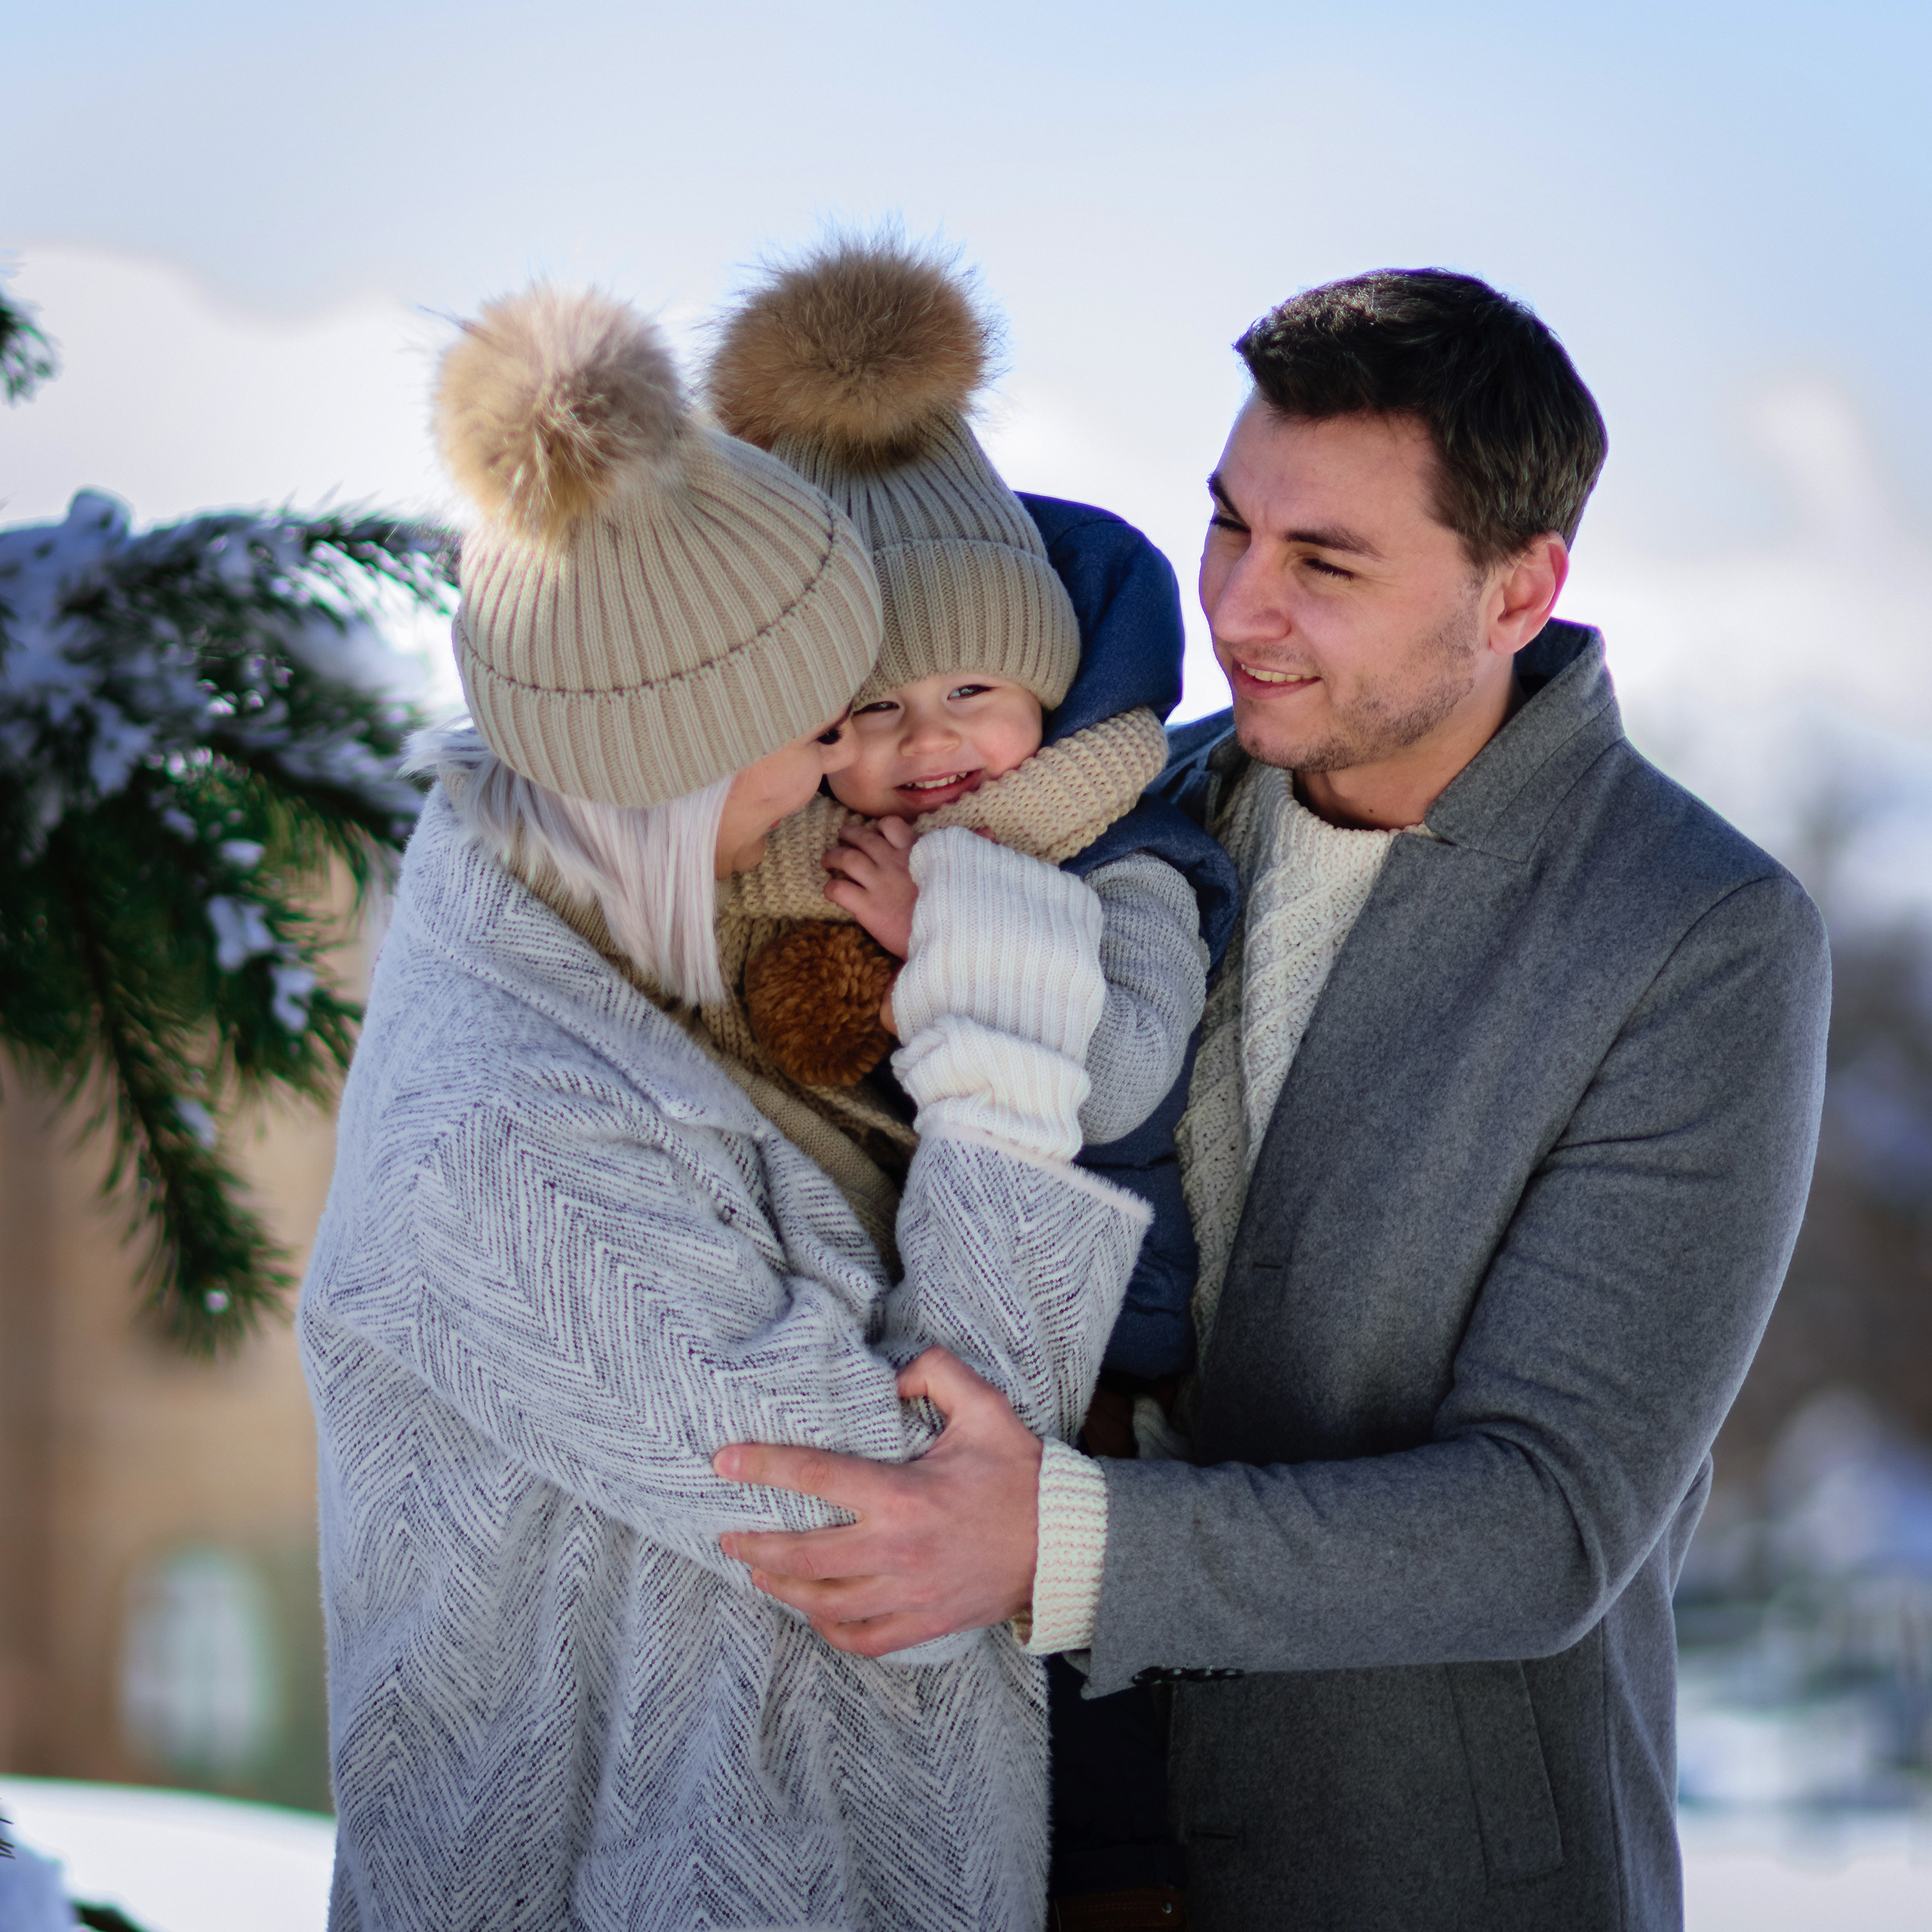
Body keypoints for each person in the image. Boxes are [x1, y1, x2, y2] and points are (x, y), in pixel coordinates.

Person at [710, 269, 1834, 1931]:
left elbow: (1544, 1520)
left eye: (1324, 562)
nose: (1235, 607)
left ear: (1517, 588)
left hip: (1416, 1865)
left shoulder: (1692, 932)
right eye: (1229, 526)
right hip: (1037, 1836)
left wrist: (1056, 1541)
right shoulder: (1111, 813)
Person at [300, 281, 1153, 1932]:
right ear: (679, 758)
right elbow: (916, 1509)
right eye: (815, 720)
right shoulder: (512, 1139)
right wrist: (1000, 1027)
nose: (848, 759)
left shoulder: (610, 975)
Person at [703, 239, 1242, 1927]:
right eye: (869, 710)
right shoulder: (841, 850)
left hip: (1116, 1335)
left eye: (971, 693)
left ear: (1043, 689)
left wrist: (958, 931)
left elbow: (1123, 1069)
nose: (927, 744)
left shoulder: (1121, 841)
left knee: (1084, 1733)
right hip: (941, 1319)